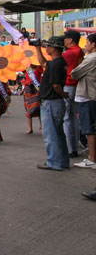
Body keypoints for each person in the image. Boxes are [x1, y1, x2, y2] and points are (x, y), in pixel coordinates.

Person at [36, 36, 69, 171]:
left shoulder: (56, 64)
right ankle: (62, 161)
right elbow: (44, 64)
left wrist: (62, 94)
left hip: (51, 101)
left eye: (48, 46)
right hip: (55, 102)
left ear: (54, 48)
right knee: (58, 133)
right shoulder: (58, 62)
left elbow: (56, 85)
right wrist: (37, 48)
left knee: (51, 135)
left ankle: (54, 162)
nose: (46, 48)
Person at [70, 33, 96, 169]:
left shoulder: (91, 58)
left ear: (93, 44)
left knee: (89, 128)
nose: (85, 45)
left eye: (87, 42)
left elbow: (74, 73)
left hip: (87, 95)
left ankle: (92, 158)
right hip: (90, 95)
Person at [62, 30, 84, 158]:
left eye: (65, 38)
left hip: (68, 85)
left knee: (67, 118)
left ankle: (70, 149)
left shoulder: (68, 53)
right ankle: (74, 147)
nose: (64, 40)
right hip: (76, 85)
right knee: (74, 118)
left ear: (70, 40)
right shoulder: (80, 51)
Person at [23, 64, 43, 134]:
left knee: (38, 106)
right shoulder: (26, 68)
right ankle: (30, 128)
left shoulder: (39, 68)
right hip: (28, 89)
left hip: (37, 89)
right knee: (28, 108)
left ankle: (41, 125)